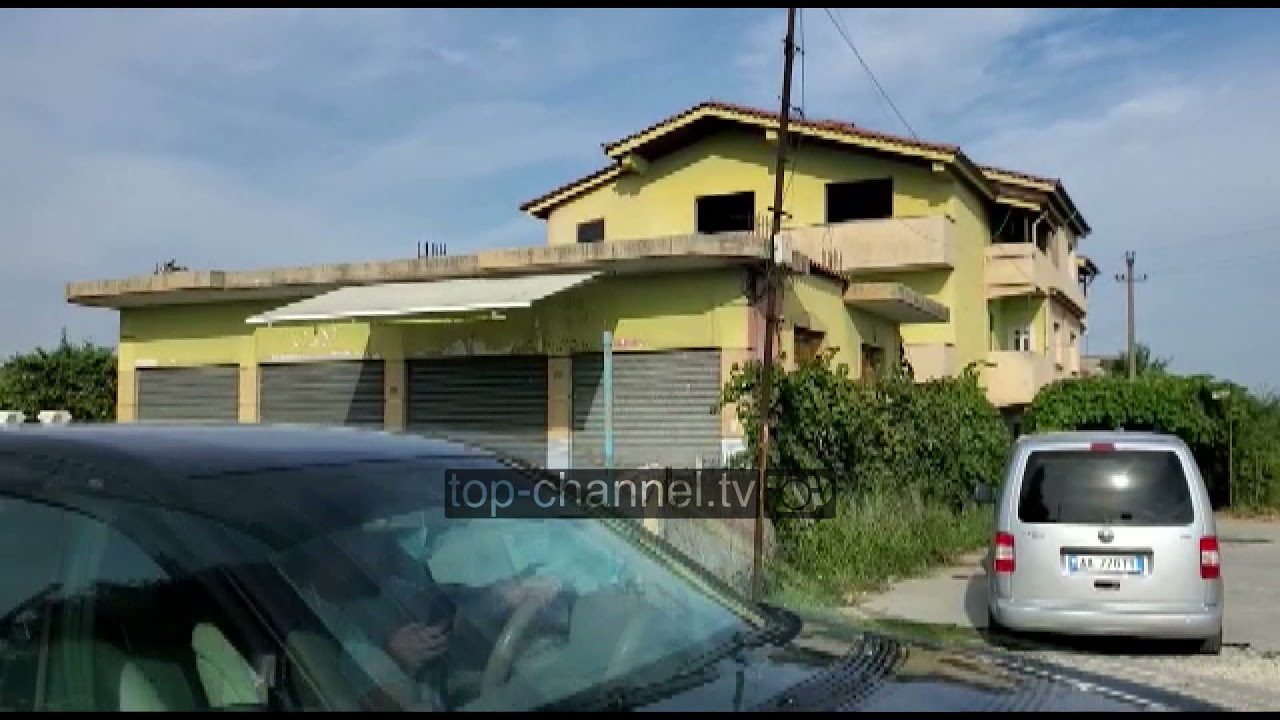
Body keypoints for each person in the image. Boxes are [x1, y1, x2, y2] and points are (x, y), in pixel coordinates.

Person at [287, 528, 562, 711]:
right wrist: (393, 660)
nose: (382, 550)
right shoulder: (310, 618)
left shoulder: (387, 589)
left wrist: (503, 595)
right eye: (364, 541)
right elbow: (348, 697)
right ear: (326, 558)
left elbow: (446, 608)